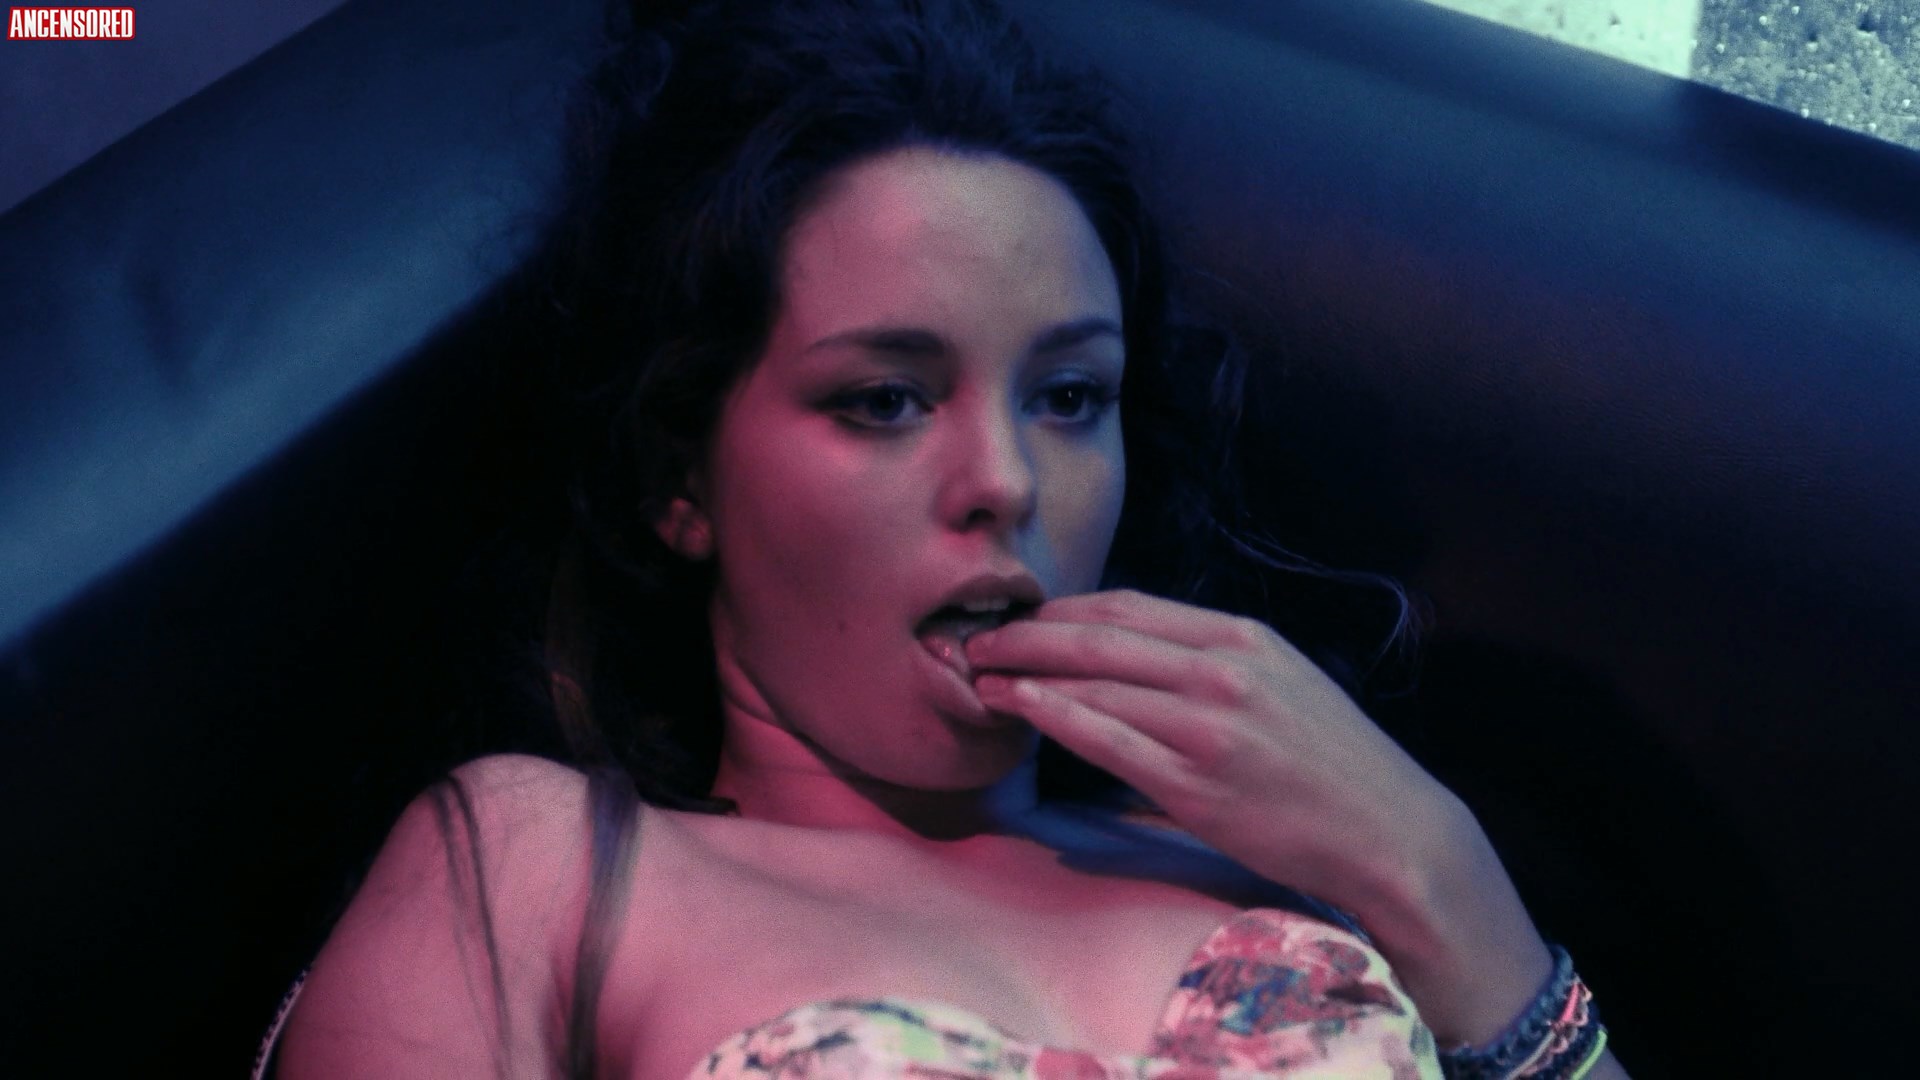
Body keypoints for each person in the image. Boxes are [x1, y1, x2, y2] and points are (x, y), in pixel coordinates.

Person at [271, 0, 1627, 1076]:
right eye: (886, 400)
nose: (1005, 482)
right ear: (680, 480)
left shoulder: (1302, 863)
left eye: (1070, 397)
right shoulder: (547, 863)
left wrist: (1442, 879)